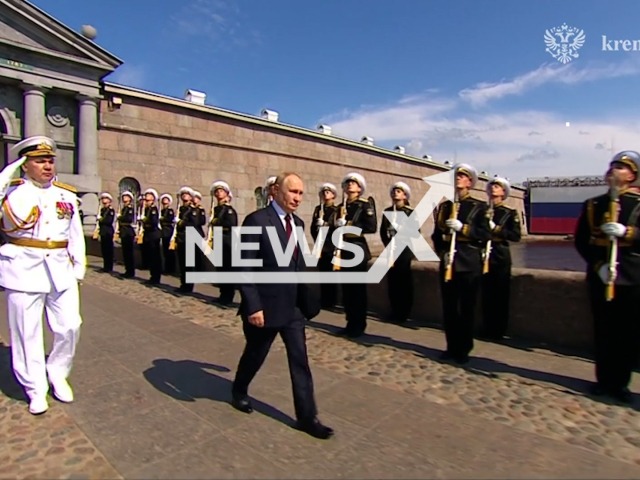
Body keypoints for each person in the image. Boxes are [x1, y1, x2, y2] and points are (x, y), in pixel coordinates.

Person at [231, 172, 333, 440]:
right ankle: (239, 390)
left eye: (301, 193)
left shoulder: (297, 224)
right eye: (293, 192)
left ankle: (307, 417)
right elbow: (244, 267)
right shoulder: (257, 220)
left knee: (300, 361)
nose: (297, 198)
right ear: (276, 191)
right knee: (255, 354)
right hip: (265, 308)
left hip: (293, 310)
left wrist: (307, 298)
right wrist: (253, 306)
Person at [0, 136, 85, 415]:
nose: (47, 166)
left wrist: (79, 268)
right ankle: (35, 387)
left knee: (70, 325)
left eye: (50, 160)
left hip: (60, 269)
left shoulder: (66, 195)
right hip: (23, 269)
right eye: (39, 161)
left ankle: (58, 372)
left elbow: (75, 235)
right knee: (26, 332)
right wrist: (7, 173)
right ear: (25, 165)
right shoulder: (11, 192)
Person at [574, 151, 640, 403]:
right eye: (612, 165)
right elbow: (582, 241)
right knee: (603, 331)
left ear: (632, 176)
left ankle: (621, 383)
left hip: (632, 277)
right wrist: (599, 264)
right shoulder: (593, 205)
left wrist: (629, 232)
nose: (614, 169)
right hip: (601, 276)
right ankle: (603, 380)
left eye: (621, 167)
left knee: (628, 333)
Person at [431, 163, 491, 364]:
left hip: (468, 261)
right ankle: (451, 346)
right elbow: (437, 235)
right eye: (456, 175)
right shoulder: (445, 206)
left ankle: (464, 348)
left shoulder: (479, 207)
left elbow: (485, 234)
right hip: (449, 261)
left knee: (466, 307)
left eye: (463, 176)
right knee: (449, 307)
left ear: (470, 182)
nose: (458, 178)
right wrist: (442, 253)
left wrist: (463, 228)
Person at [330, 172, 377, 338]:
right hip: (343, 251)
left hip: (357, 249)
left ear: (359, 188)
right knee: (347, 290)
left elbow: (371, 227)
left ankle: (359, 324)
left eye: (353, 183)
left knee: (357, 291)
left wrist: (349, 225)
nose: (350, 185)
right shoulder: (340, 207)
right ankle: (350, 322)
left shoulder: (365, 205)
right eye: (347, 183)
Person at [479, 176, 521, 340]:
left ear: (503, 192)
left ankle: (498, 331)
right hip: (484, 254)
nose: (493, 189)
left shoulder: (509, 213)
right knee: (486, 293)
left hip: (500, 254)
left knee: (500, 294)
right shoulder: (483, 210)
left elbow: (515, 236)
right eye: (491, 187)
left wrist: (496, 229)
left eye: (497, 187)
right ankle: (486, 327)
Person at [380, 181, 418, 324]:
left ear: (405, 195)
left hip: (404, 251)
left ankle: (404, 313)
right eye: (394, 191)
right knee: (393, 283)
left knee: (404, 283)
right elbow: (383, 232)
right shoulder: (388, 211)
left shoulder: (410, 212)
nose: (396, 193)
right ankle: (394, 311)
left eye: (399, 191)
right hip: (392, 251)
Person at [209, 181, 238, 305]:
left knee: (227, 269)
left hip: (227, 241)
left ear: (227, 194)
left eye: (221, 191)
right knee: (220, 269)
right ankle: (222, 294)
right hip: (218, 240)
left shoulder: (229, 210)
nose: (218, 193)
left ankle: (228, 295)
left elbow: (231, 224)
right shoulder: (216, 209)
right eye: (217, 191)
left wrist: (216, 222)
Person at [310, 183, 339, 310]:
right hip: (321, 246)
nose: (325, 194)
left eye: (328, 192)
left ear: (333, 195)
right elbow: (312, 228)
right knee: (322, 273)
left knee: (331, 275)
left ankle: (331, 301)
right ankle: (324, 299)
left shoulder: (336, 210)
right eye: (323, 193)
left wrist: (325, 225)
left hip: (331, 245)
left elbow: (336, 228)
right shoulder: (318, 209)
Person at [175, 186, 199, 293]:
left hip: (189, 238)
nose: (184, 196)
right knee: (182, 263)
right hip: (181, 238)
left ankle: (189, 286)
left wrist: (181, 223)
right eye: (183, 194)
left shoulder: (193, 210)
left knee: (189, 264)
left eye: (187, 194)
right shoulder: (181, 209)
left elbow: (194, 223)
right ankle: (183, 284)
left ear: (191, 197)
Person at [139, 188, 162, 285]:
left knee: (155, 257)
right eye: (145, 200)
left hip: (153, 235)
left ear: (153, 200)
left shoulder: (153, 210)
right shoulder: (147, 209)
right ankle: (152, 276)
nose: (146, 202)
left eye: (147, 200)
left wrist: (144, 220)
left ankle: (156, 277)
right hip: (148, 235)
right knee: (150, 257)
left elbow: (153, 222)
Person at [116, 191, 136, 278]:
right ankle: (127, 270)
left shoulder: (130, 209)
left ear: (129, 199)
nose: (124, 198)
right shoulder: (123, 209)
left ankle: (131, 271)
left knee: (129, 253)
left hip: (128, 232)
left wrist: (120, 217)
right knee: (125, 253)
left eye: (126, 197)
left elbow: (128, 219)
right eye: (123, 197)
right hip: (123, 231)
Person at [97, 192, 115, 273]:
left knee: (109, 250)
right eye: (103, 200)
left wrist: (101, 219)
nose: (104, 202)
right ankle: (105, 266)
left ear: (109, 201)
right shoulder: (102, 210)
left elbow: (109, 221)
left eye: (105, 200)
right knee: (104, 250)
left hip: (108, 232)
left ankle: (109, 267)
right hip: (103, 231)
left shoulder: (111, 210)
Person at [159, 193, 176, 275]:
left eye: (166, 201)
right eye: (163, 201)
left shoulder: (170, 211)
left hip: (168, 231)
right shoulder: (161, 211)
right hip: (163, 231)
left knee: (169, 251)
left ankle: (170, 268)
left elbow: (169, 219)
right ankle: (166, 267)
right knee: (165, 250)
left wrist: (162, 218)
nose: (165, 203)